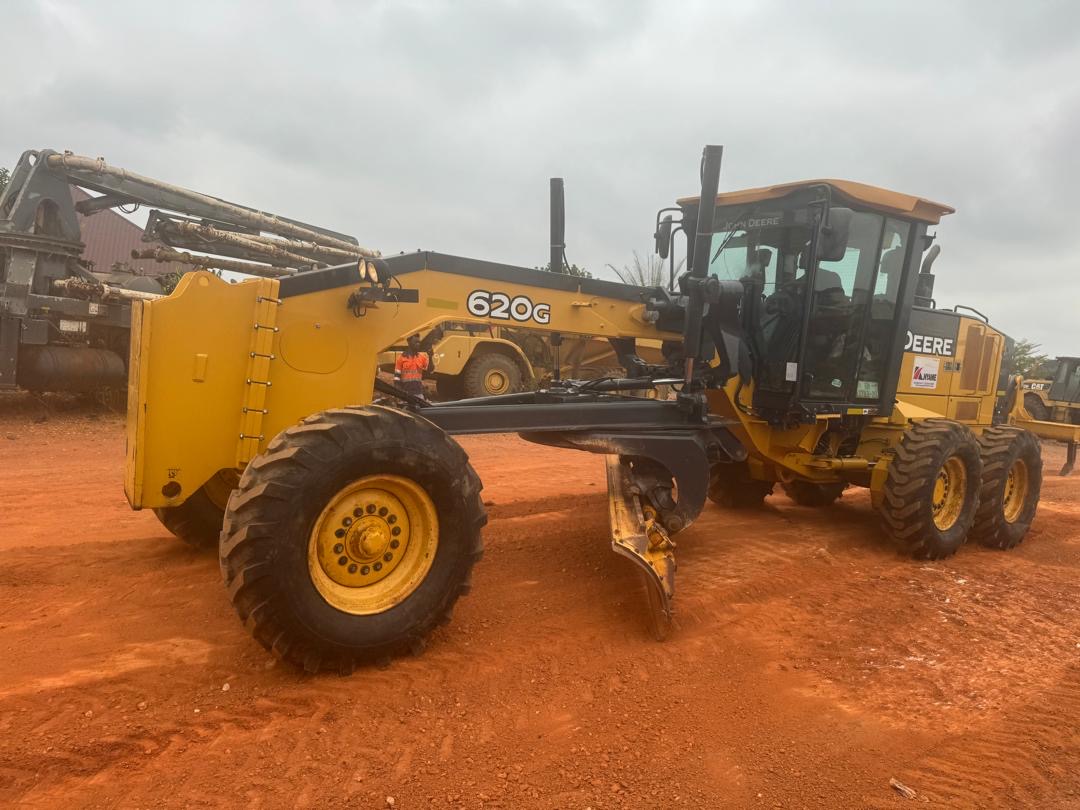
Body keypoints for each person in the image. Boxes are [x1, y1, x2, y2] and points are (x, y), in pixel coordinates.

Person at [394, 334, 430, 399]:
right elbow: (396, 378)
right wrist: (399, 394)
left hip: (418, 393)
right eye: (415, 342)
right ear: (409, 342)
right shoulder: (401, 358)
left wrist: (430, 356)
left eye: (419, 342)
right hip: (406, 394)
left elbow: (430, 370)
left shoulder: (422, 358)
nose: (418, 344)